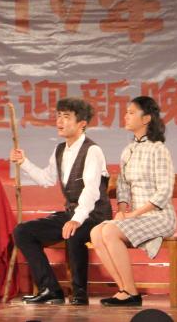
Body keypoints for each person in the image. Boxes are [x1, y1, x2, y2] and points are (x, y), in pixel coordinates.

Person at [10, 97, 111, 306]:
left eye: (66, 117)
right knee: (23, 232)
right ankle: (50, 290)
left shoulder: (92, 151)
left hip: (95, 215)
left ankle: (79, 293)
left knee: (73, 232)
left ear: (82, 123)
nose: (60, 121)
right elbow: (46, 179)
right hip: (72, 214)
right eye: (58, 116)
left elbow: (91, 190)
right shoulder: (60, 150)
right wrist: (23, 162)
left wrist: (76, 220)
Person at [90, 95, 177, 307]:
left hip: (160, 217)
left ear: (146, 119)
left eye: (131, 113)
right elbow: (123, 185)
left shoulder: (158, 149)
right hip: (137, 217)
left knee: (110, 231)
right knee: (96, 232)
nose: (126, 116)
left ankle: (130, 291)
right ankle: (125, 289)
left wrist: (132, 215)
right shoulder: (128, 150)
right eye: (126, 112)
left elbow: (164, 191)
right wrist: (122, 210)